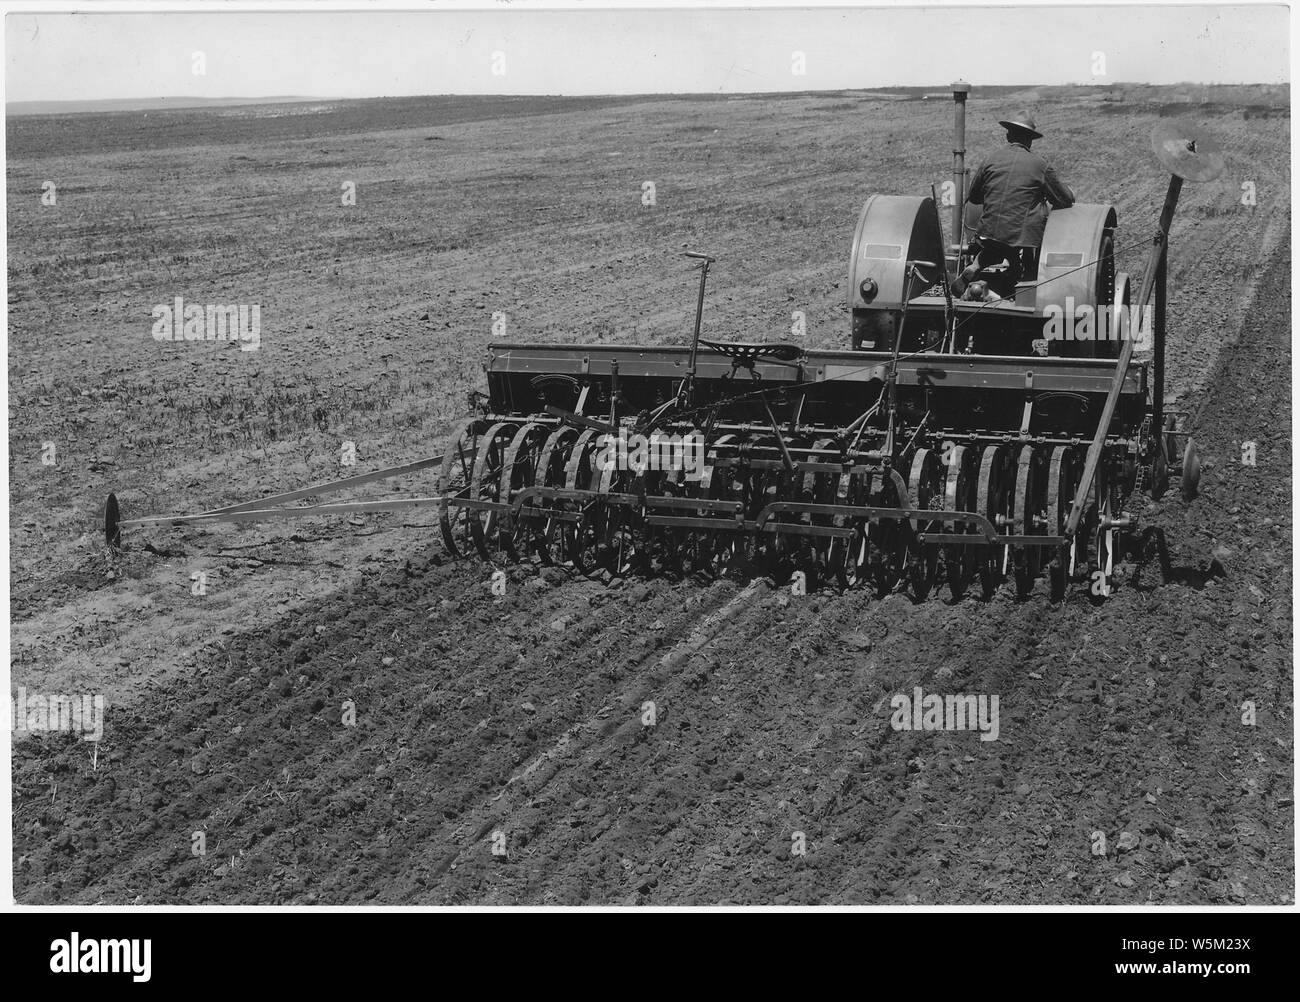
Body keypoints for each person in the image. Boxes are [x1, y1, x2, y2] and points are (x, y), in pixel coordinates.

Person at [954, 113, 1075, 297]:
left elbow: (975, 197)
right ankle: (1027, 277)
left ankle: (976, 265)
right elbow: (1064, 199)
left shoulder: (990, 159)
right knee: (1033, 222)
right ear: (1031, 141)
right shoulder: (1040, 165)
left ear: (1008, 136)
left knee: (997, 248)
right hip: (1023, 238)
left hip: (987, 233)